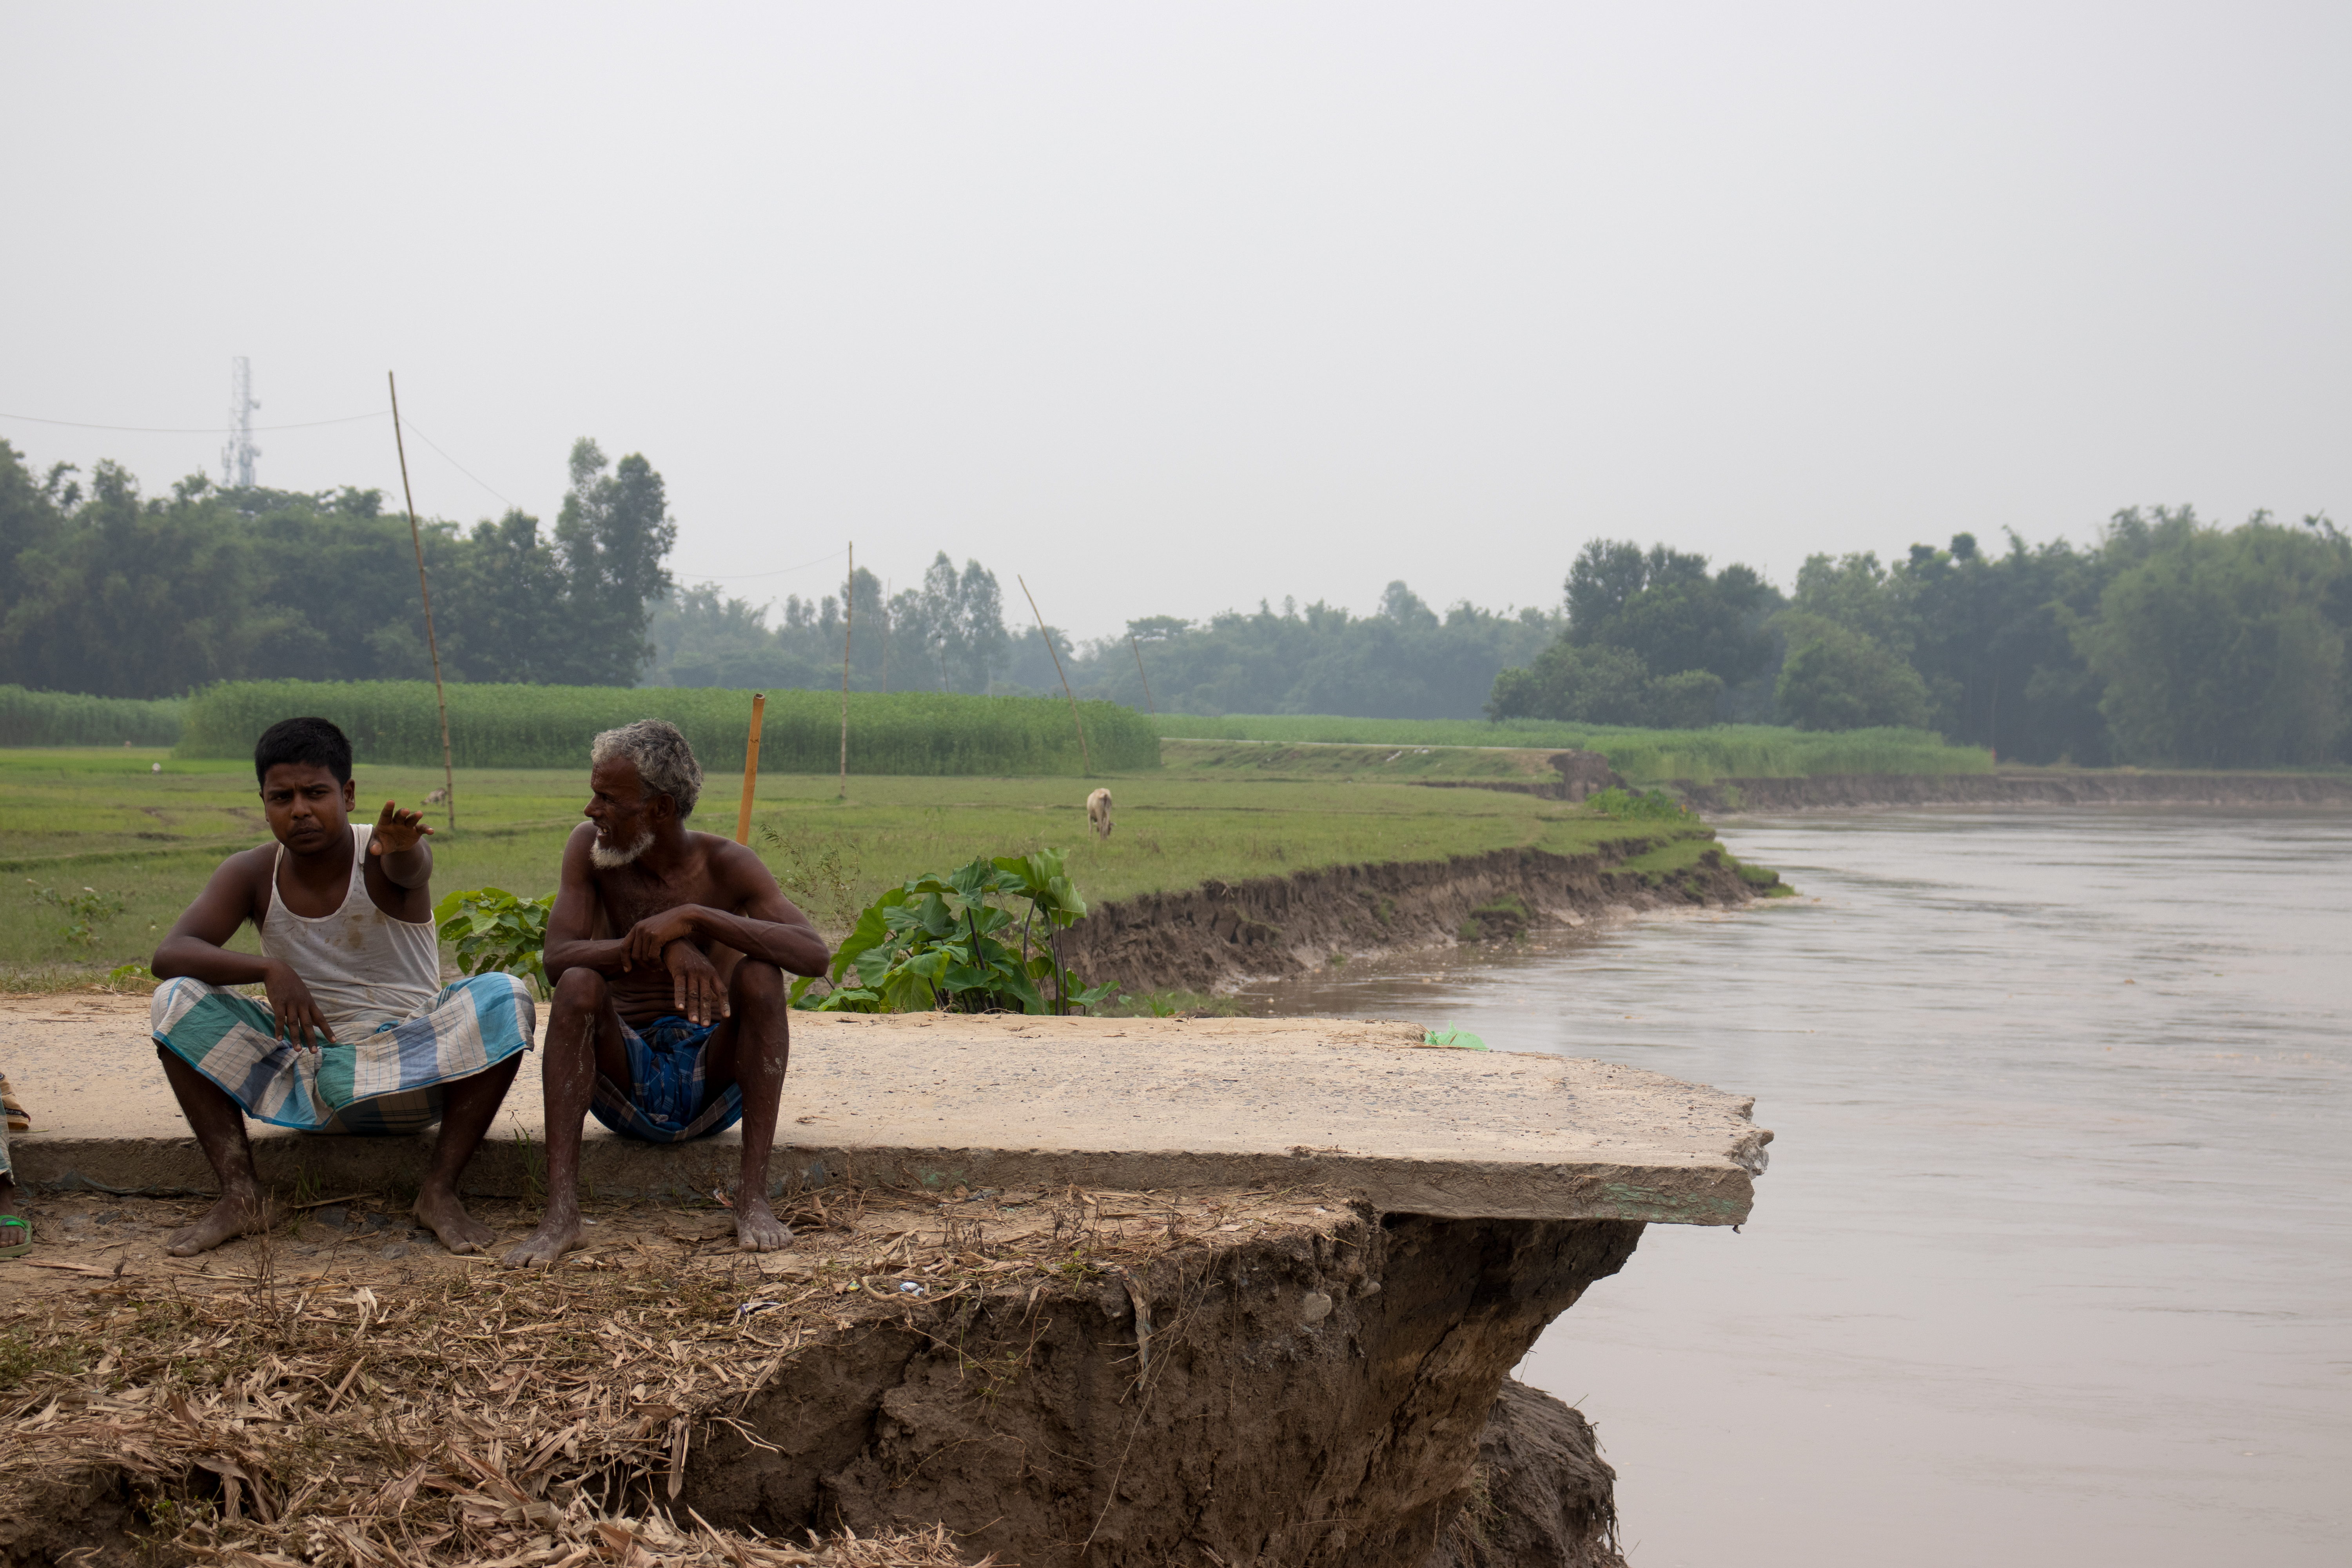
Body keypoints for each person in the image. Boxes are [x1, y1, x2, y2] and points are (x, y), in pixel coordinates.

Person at [150, 717, 535, 1257]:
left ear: (348, 795)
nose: (300, 809)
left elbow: (410, 866)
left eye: (316, 793)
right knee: (175, 1001)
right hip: (309, 1075)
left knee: (505, 993)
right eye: (282, 797)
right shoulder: (252, 872)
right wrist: (270, 971)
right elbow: (170, 954)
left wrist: (404, 848)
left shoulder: (379, 855)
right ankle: (241, 1195)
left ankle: (440, 1191)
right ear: (263, 802)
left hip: (410, 1071)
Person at [503, 719, 828, 1268]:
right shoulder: (591, 851)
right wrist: (661, 945)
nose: (591, 811)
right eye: (594, 794)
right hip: (624, 1074)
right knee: (582, 984)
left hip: (713, 1075)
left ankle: (752, 1200)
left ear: (660, 810)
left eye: (608, 799)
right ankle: (562, 1214)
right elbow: (558, 960)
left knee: (760, 976)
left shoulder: (727, 865)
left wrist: (697, 918)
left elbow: (813, 955)